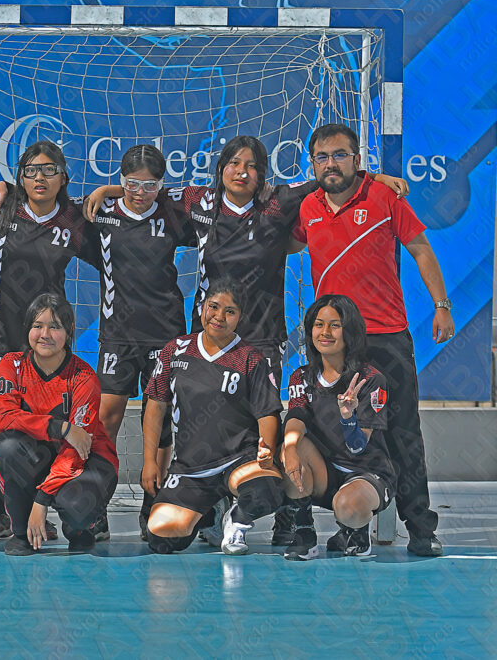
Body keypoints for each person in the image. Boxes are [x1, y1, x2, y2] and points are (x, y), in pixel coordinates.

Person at [86, 135, 407, 545]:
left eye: (252, 165)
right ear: (221, 170)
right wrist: (109, 189)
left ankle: (289, 516)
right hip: (211, 337)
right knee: (205, 423)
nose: (242, 171)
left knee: (264, 431)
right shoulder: (199, 203)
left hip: (261, 339)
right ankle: (203, 508)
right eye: (234, 164)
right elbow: (148, 191)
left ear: (262, 175)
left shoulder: (279, 204)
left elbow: (329, 179)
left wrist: (373, 176)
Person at [290, 122, 453, 557]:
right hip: (333, 344)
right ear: (312, 164)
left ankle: (421, 529)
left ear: (357, 161)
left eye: (340, 155)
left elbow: (420, 249)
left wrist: (441, 305)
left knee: (402, 434)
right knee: (333, 432)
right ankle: (350, 526)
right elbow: (279, 239)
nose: (331, 164)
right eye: (322, 157)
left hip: (385, 339)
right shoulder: (307, 208)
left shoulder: (384, 198)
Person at [0, 140, 98, 542]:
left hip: (47, 338)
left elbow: (116, 249)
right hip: (0, 335)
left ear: (63, 176)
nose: (39, 178)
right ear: (19, 176)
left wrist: (108, 191)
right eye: (30, 170)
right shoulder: (0, 208)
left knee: (54, 425)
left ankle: (69, 505)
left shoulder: (74, 221)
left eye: (49, 170)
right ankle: (2, 514)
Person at [88, 144, 196, 539]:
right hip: (117, 334)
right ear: (120, 180)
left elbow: (211, 201)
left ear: (161, 186)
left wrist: (116, 189)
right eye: (131, 184)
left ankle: (156, 498)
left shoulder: (173, 215)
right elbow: (49, 201)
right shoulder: (99, 216)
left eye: (150, 185)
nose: (139, 192)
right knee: (106, 418)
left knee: (162, 418)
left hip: (165, 334)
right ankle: (96, 500)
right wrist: (108, 193)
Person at [141, 278, 284, 555]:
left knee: (268, 489)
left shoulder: (250, 358)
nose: (219, 316)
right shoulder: (175, 350)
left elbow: (268, 413)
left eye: (229, 311)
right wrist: (149, 461)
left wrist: (267, 447)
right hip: (192, 467)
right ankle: (208, 513)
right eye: (213, 307)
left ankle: (238, 518)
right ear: (201, 307)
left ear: (240, 317)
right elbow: (156, 405)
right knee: (162, 538)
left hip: (238, 459)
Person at [0, 294, 119, 555]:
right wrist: (61, 428)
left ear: (69, 331)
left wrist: (42, 500)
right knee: (7, 447)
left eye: (55, 326)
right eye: (37, 325)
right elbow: (3, 417)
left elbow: (77, 449)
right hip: (40, 455)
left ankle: (82, 528)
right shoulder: (11, 364)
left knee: (76, 508)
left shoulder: (84, 377)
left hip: (86, 460)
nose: (44, 334)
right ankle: (21, 531)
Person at [280, 295, 394, 560]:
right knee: (288, 448)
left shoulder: (371, 380)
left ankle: (356, 528)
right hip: (325, 473)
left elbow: (357, 447)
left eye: (335, 325)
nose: (325, 333)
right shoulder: (301, 376)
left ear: (350, 331)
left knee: (348, 507)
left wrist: (347, 416)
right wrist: (291, 448)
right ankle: (305, 532)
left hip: (365, 474)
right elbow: (296, 416)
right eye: (319, 325)